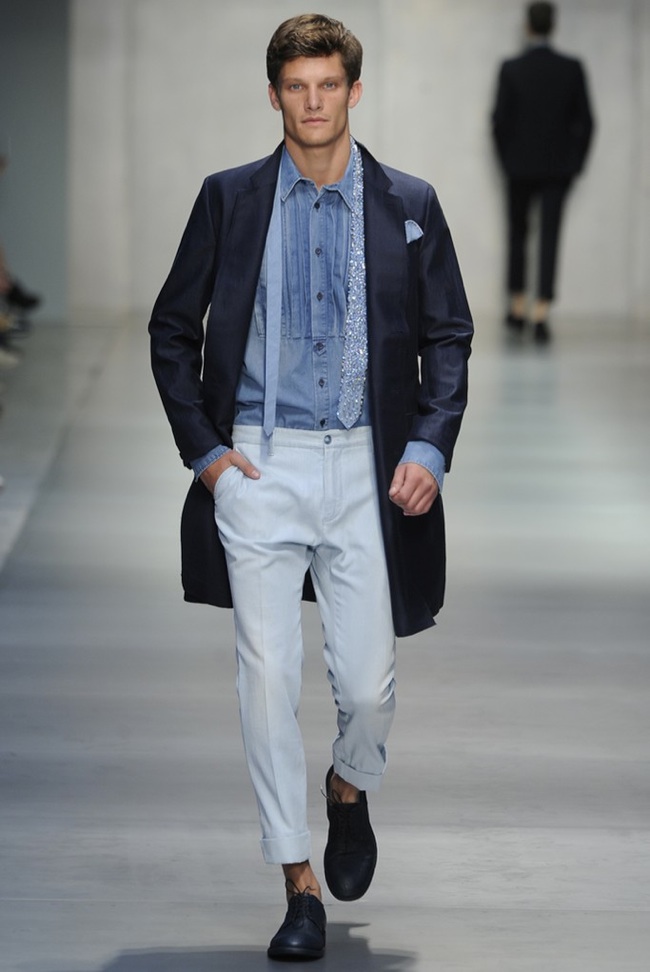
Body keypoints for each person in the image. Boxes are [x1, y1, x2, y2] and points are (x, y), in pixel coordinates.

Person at [149, 13, 472, 961]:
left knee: (368, 689)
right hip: (260, 464)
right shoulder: (230, 198)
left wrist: (429, 447)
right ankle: (297, 885)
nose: (314, 101)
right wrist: (209, 457)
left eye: (329, 84)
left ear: (354, 91)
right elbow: (173, 328)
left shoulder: (409, 201)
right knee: (264, 682)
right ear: (274, 95)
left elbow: (449, 335)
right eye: (297, 86)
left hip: (369, 466)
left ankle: (347, 787)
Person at [492, 1, 594, 343]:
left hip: (519, 167)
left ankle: (517, 307)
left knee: (517, 235)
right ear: (553, 26)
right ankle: (541, 313)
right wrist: (574, 164)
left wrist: (507, 161)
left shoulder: (511, 68)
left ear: (528, 26)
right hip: (556, 169)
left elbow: (499, 122)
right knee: (550, 236)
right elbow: (586, 122)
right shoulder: (571, 68)